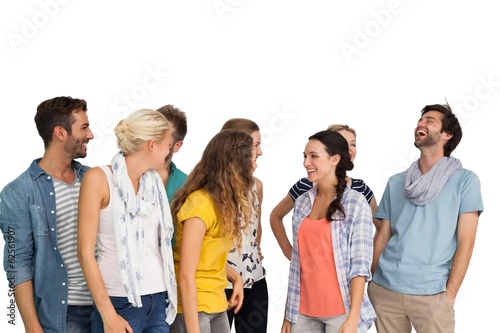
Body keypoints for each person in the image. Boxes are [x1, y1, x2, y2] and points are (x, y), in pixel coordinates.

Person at [368, 103, 483, 333]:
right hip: (385, 290)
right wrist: (371, 279)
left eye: (430, 121)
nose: (421, 124)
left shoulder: (465, 181)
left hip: (433, 295)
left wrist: (449, 294)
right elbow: (383, 234)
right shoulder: (396, 182)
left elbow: (466, 242)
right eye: (420, 120)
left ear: (447, 135)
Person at [77, 109, 177, 333]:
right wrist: (108, 314)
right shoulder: (99, 179)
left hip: (158, 300)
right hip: (119, 302)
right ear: (152, 144)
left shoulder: (155, 183)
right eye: (167, 146)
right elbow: (84, 253)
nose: (168, 153)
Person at [0, 96, 94, 333]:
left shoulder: (95, 180)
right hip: (63, 315)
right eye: (84, 127)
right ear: (60, 133)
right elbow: (16, 263)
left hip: (107, 307)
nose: (91, 135)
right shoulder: (18, 193)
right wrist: (32, 326)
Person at [282, 130, 375, 333]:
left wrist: (353, 318)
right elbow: (297, 265)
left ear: (334, 159)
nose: (306, 162)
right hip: (302, 313)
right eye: (305, 156)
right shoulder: (302, 202)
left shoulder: (356, 203)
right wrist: (288, 315)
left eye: (314, 156)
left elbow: (360, 267)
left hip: (340, 314)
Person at [169, 130, 257, 333]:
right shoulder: (199, 205)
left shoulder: (224, 203)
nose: (255, 165)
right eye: (252, 159)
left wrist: (236, 277)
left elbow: (206, 254)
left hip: (216, 303)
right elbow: (185, 274)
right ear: (237, 166)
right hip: (192, 306)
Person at [270, 124, 379, 261]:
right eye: (344, 143)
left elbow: (382, 229)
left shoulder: (360, 192)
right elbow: (276, 216)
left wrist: (368, 261)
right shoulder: (304, 189)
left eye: (353, 144)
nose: (350, 149)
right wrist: (288, 251)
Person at [220, 118, 268, 333]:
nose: (260, 152)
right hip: (221, 285)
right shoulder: (213, 189)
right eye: (256, 145)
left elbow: (255, 227)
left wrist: (253, 251)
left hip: (255, 283)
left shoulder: (257, 186)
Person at [156, 104, 188, 202]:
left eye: (160, 138)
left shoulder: (186, 185)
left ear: (177, 146)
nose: (151, 141)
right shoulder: (126, 172)